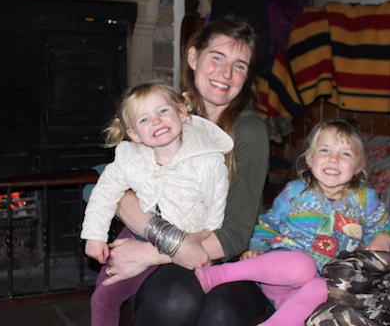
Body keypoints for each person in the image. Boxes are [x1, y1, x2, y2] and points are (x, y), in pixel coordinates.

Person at [102, 16, 273, 326]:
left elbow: (236, 233)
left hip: (232, 256)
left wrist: (152, 253)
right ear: (193, 57)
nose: (226, 73)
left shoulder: (249, 130)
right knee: (174, 299)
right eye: (217, 58)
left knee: (219, 312)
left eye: (239, 66)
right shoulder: (164, 116)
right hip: (169, 247)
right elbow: (109, 182)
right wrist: (166, 241)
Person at [194, 118, 390, 326]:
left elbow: (386, 227)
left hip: (310, 289)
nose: (334, 159)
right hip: (279, 273)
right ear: (310, 159)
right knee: (303, 266)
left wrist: (383, 238)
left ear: (359, 165)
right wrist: (257, 247)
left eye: (345, 154)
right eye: (325, 151)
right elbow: (268, 223)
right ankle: (219, 274)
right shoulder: (294, 192)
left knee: (322, 287)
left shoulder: (365, 199)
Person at [81, 81, 235, 326]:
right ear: (133, 135)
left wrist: (205, 241)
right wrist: (95, 234)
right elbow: (104, 192)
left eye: (162, 111)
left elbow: (216, 202)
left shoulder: (208, 160)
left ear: (181, 112)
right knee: (103, 297)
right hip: (137, 236)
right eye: (144, 119)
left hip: (189, 239)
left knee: (185, 303)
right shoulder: (130, 158)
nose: (156, 121)